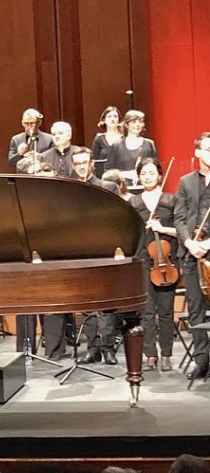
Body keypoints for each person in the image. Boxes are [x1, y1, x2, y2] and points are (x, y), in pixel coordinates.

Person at [67, 149, 120, 365]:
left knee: (106, 303)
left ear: (91, 164)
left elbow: (117, 218)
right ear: (72, 165)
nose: (81, 166)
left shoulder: (107, 187)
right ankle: (93, 349)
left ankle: (108, 348)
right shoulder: (68, 190)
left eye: (84, 162)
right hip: (80, 252)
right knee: (87, 304)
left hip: (105, 250)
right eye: (77, 163)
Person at [129, 158, 178, 372]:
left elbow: (180, 230)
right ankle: (150, 354)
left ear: (159, 175)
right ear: (139, 176)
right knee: (147, 312)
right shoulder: (133, 202)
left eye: (151, 172)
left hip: (166, 262)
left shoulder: (171, 200)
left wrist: (162, 228)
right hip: (142, 261)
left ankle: (166, 354)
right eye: (144, 173)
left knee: (166, 311)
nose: (147, 176)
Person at [173, 132, 210, 380]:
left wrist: (207, 243)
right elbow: (180, 217)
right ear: (197, 153)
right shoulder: (186, 182)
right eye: (207, 149)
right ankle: (202, 361)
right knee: (195, 308)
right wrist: (188, 241)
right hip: (190, 252)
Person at [105, 109, 157, 184]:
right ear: (126, 125)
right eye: (134, 122)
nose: (137, 125)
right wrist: (125, 174)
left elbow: (156, 168)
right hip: (123, 189)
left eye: (140, 121)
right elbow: (107, 173)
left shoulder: (149, 144)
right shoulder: (116, 145)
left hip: (144, 187)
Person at [8, 108, 54, 172]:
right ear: (22, 123)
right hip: (23, 177)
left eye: (32, 123)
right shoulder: (16, 139)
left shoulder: (49, 139)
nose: (29, 127)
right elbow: (11, 163)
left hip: (43, 177)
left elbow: (54, 161)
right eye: (26, 123)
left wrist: (39, 157)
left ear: (39, 123)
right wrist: (19, 154)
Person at [91, 105, 124, 179]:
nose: (112, 119)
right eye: (109, 116)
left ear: (119, 120)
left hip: (122, 176)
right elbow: (94, 161)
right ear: (104, 120)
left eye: (115, 116)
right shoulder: (98, 139)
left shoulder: (125, 139)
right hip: (103, 177)